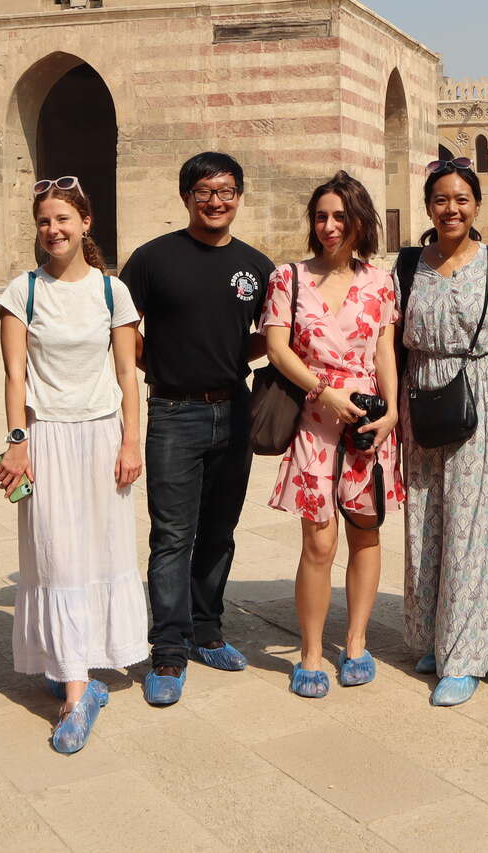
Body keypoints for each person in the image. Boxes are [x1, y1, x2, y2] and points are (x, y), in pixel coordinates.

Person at [0, 177, 148, 754]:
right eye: (43, 221)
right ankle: (76, 689)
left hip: (102, 434)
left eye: (62, 219)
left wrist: (132, 442)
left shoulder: (113, 292)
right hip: (48, 436)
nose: (53, 230)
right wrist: (16, 442)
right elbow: (14, 376)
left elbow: (128, 375)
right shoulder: (22, 292)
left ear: (85, 223)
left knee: (102, 549)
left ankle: (81, 661)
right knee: (56, 554)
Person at [119, 151, 274, 705]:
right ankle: (168, 648)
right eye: (204, 192)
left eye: (226, 191)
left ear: (238, 196)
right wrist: (161, 366)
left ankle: (207, 629)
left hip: (233, 409)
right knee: (172, 536)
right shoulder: (152, 260)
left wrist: (233, 357)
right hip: (173, 414)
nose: (216, 201)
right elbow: (123, 328)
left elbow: (270, 337)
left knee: (218, 531)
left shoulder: (256, 267)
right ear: (186, 198)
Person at [261, 172, 402, 697]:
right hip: (316, 421)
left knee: (366, 531)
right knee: (318, 542)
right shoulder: (288, 278)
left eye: (340, 216)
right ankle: (312, 652)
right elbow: (278, 350)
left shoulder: (380, 282)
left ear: (360, 220)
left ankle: (358, 642)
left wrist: (389, 413)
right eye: (321, 216)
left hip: (367, 421)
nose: (329, 226)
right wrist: (325, 392)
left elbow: (385, 351)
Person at [398, 157, 488, 707]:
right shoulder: (407, 265)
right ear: (429, 206)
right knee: (425, 517)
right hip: (421, 395)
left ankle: (465, 656)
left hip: (479, 397)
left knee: (473, 522)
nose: (452, 209)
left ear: (477, 205)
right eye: (441, 200)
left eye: (462, 200)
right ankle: (430, 636)